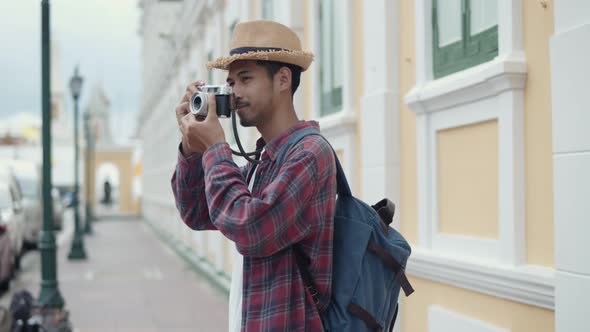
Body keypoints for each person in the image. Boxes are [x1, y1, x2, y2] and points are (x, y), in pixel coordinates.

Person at [170, 20, 336, 331]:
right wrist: (191, 149)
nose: (234, 93)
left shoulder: (310, 154)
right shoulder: (263, 160)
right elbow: (197, 211)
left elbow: (249, 228)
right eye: (230, 83)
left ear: (283, 79)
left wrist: (217, 147)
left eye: (245, 79)